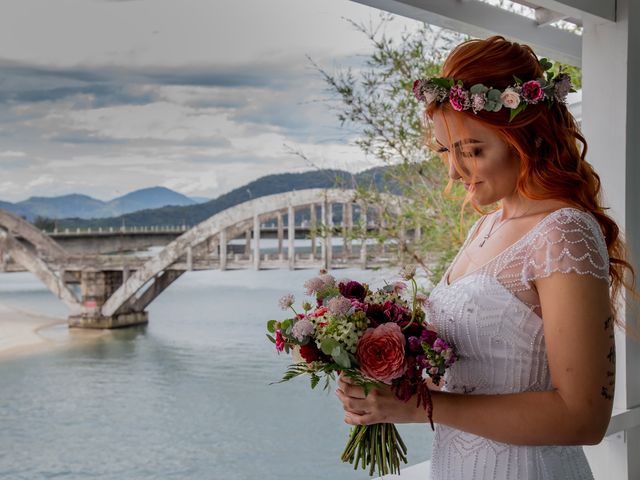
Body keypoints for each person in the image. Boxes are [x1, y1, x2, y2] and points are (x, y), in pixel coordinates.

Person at [335, 35, 639, 479]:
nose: (455, 171)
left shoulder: (563, 232)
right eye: (445, 151)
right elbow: (471, 377)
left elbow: (584, 418)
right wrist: (386, 383)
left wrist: (422, 408)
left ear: (528, 138)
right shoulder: (484, 228)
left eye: (472, 151)